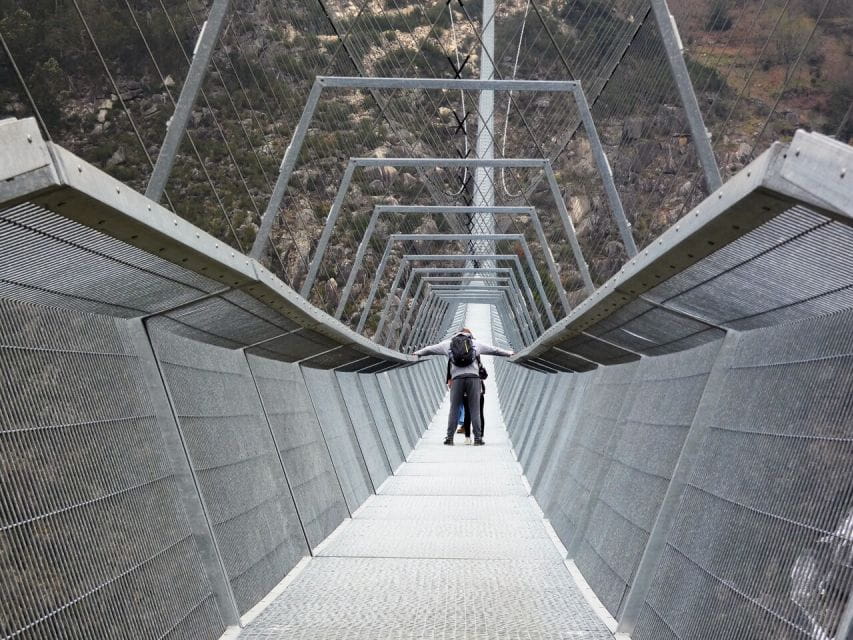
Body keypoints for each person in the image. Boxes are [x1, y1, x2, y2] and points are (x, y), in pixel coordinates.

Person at [416, 328, 512, 446]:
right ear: (469, 335)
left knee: (454, 408)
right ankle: (478, 439)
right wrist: (509, 353)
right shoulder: (475, 344)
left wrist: (418, 353)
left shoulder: (448, 344)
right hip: (473, 378)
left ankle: (449, 438)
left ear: (456, 335)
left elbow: (430, 349)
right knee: (475, 409)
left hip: (457, 379)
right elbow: (494, 350)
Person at [447, 358, 487, 445]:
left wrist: (449, 379)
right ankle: (479, 438)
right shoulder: (475, 355)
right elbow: (484, 374)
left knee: (465, 413)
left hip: (462, 389)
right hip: (477, 389)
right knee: (478, 413)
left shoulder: (454, 355)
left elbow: (449, 366)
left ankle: (465, 437)